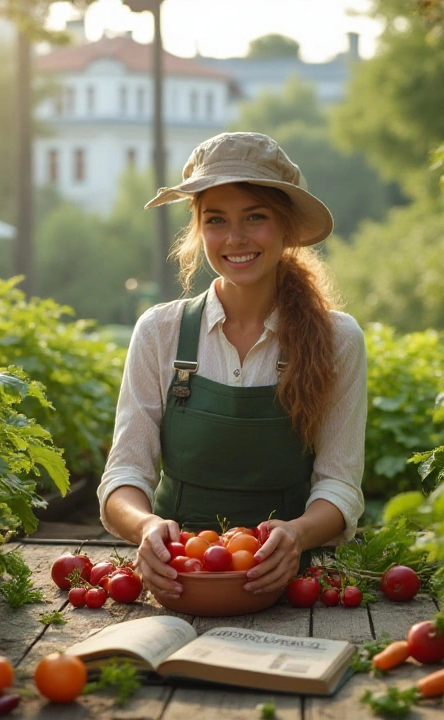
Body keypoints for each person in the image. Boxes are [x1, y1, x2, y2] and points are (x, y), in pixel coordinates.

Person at [97, 132, 367, 601]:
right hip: (178, 575)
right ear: (198, 229)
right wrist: (146, 527)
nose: (235, 238)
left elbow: (340, 486)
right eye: (216, 220)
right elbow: (124, 475)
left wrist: (298, 534)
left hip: (287, 585)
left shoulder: (337, 338)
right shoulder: (160, 331)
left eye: (255, 217)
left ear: (286, 228)